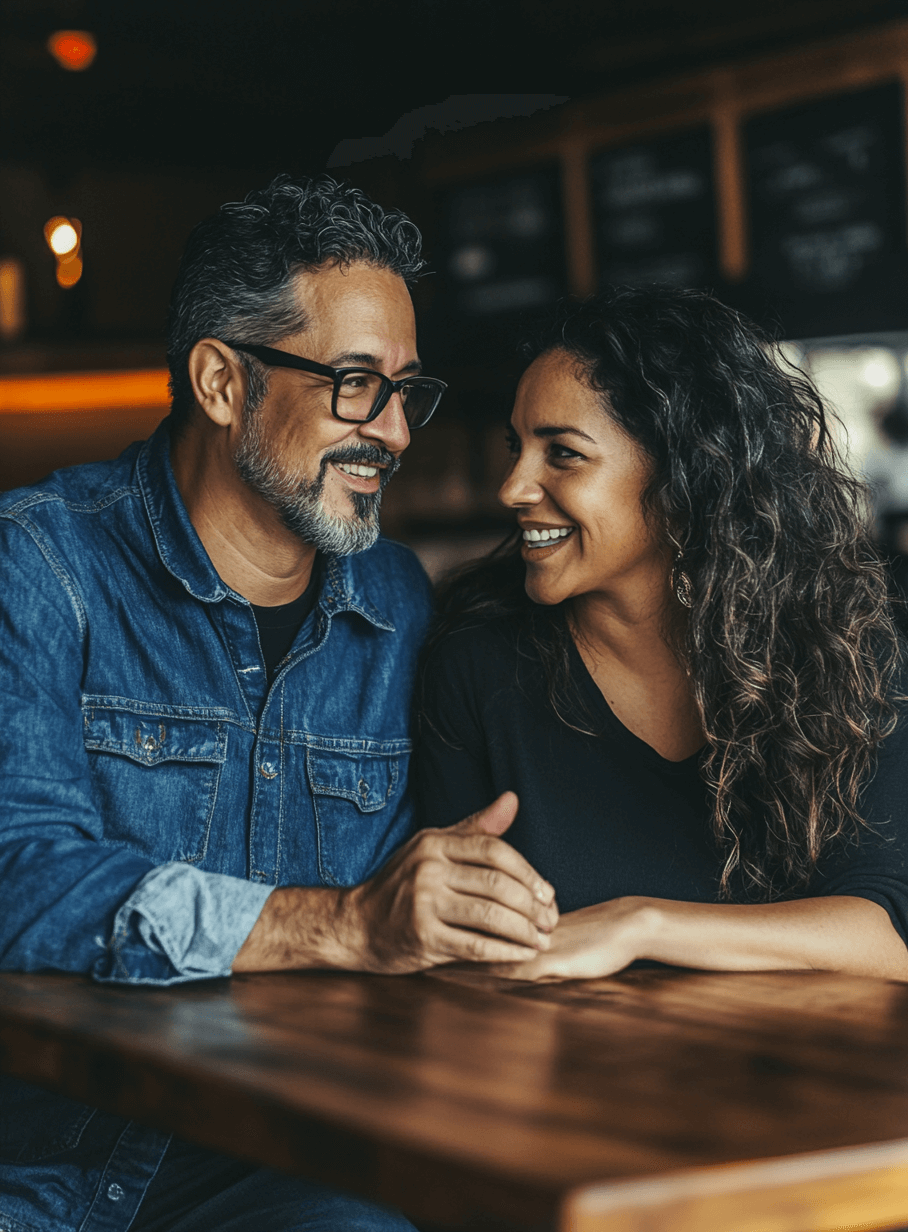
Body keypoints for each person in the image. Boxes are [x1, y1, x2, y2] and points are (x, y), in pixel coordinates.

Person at [0, 175, 557, 1232]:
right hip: (40, 1166)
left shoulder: (397, 600)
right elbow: (18, 877)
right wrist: (342, 925)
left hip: (280, 1158)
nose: (396, 431)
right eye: (356, 384)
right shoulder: (38, 565)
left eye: (407, 391)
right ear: (221, 382)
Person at [416, 286, 908, 985]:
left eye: (562, 453)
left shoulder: (841, 653)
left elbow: (891, 935)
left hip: (789, 1055)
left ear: (684, 473)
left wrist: (639, 925)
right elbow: (453, 953)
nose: (512, 487)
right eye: (517, 447)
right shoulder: (476, 667)